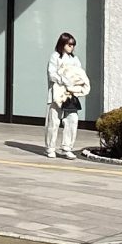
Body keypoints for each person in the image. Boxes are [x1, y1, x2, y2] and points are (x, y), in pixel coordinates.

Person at [44, 31, 91, 159]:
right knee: (53, 121)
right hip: (57, 93)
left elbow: (80, 74)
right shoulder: (55, 56)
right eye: (69, 44)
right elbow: (52, 74)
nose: (71, 47)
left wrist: (75, 84)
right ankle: (50, 148)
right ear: (62, 44)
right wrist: (64, 79)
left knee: (72, 119)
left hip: (71, 94)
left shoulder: (74, 59)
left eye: (73, 45)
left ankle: (67, 147)